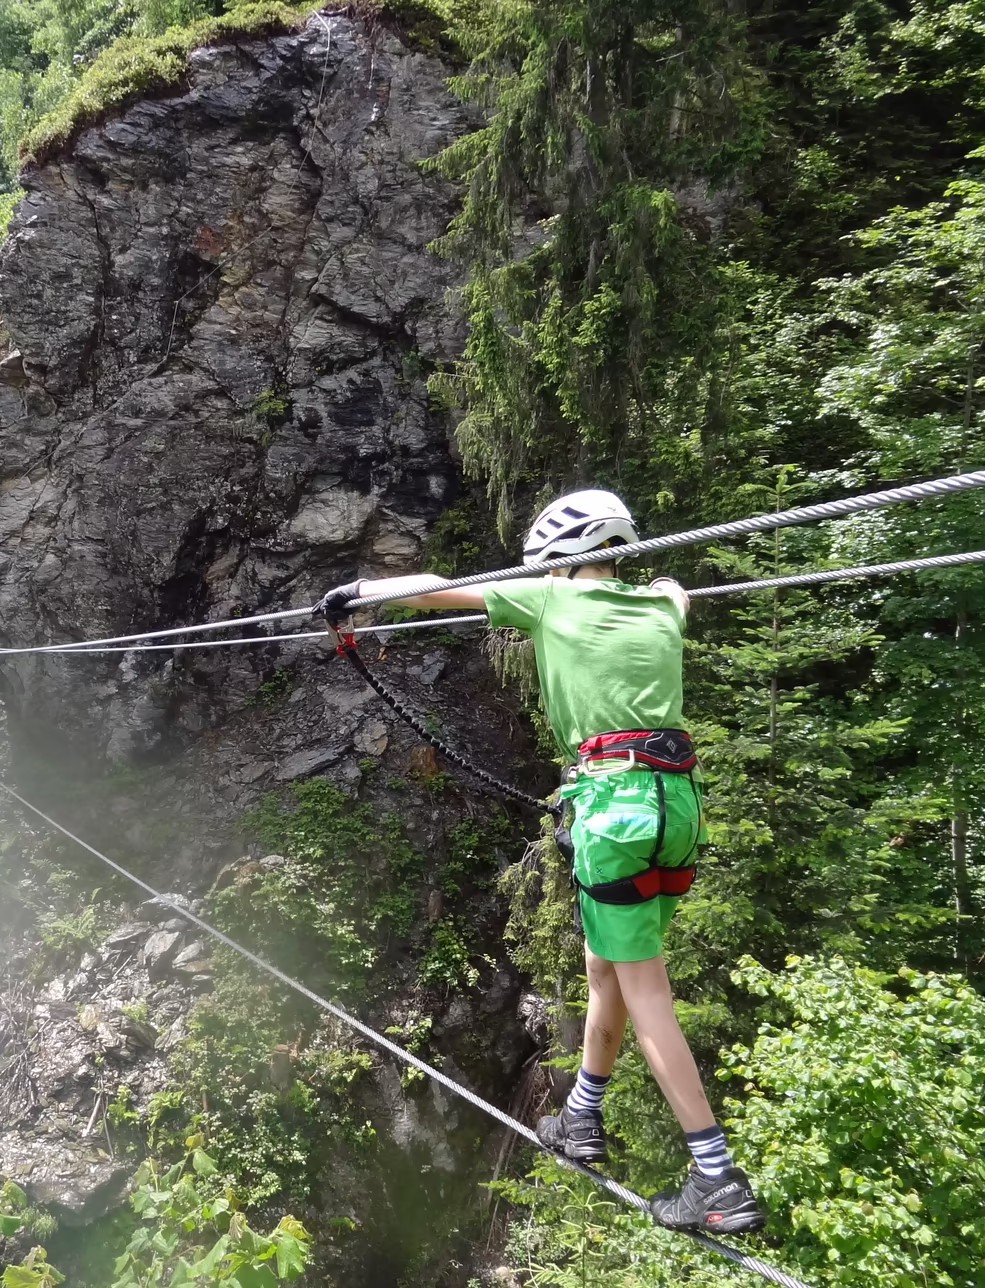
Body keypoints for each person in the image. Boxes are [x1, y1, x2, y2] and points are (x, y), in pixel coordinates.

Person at [317, 489, 765, 1235]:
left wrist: (354, 593)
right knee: (605, 965)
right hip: (677, 807)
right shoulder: (659, 608)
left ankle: (715, 1175)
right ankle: (581, 1116)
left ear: (558, 561)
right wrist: (661, 581)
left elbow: (434, 590)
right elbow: (674, 590)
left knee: (646, 990)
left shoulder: (551, 599)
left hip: (615, 811)